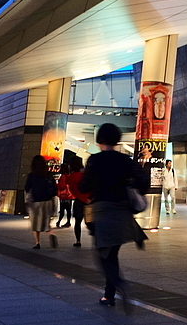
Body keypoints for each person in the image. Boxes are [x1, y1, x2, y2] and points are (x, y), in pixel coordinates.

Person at [79, 123, 149, 310]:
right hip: (122, 212)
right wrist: (131, 189)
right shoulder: (125, 160)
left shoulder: (95, 160)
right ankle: (108, 295)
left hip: (103, 211)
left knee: (102, 255)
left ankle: (120, 284)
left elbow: (83, 187)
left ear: (100, 139)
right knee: (112, 253)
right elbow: (143, 180)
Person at [24, 155, 58, 249]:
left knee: (35, 222)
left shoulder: (32, 175)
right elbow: (54, 187)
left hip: (36, 202)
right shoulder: (48, 174)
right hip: (48, 201)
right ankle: (51, 233)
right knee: (46, 221)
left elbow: (27, 188)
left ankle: (38, 243)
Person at [67, 156, 89, 247]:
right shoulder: (85, 175)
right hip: (88, 200)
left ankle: (78, 240)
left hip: (79, 201)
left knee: (78, 222)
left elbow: (72, 190)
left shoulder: (71, 177)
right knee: (90, 221)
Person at [56, 163, 75, 228]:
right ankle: (68, 222)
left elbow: (62, 186)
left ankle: (59, 221)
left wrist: (57, 185)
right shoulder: (70, 175)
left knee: (62, 210)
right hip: (69, 195)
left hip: (64, 196)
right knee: (68, 210)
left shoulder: (63, 176)